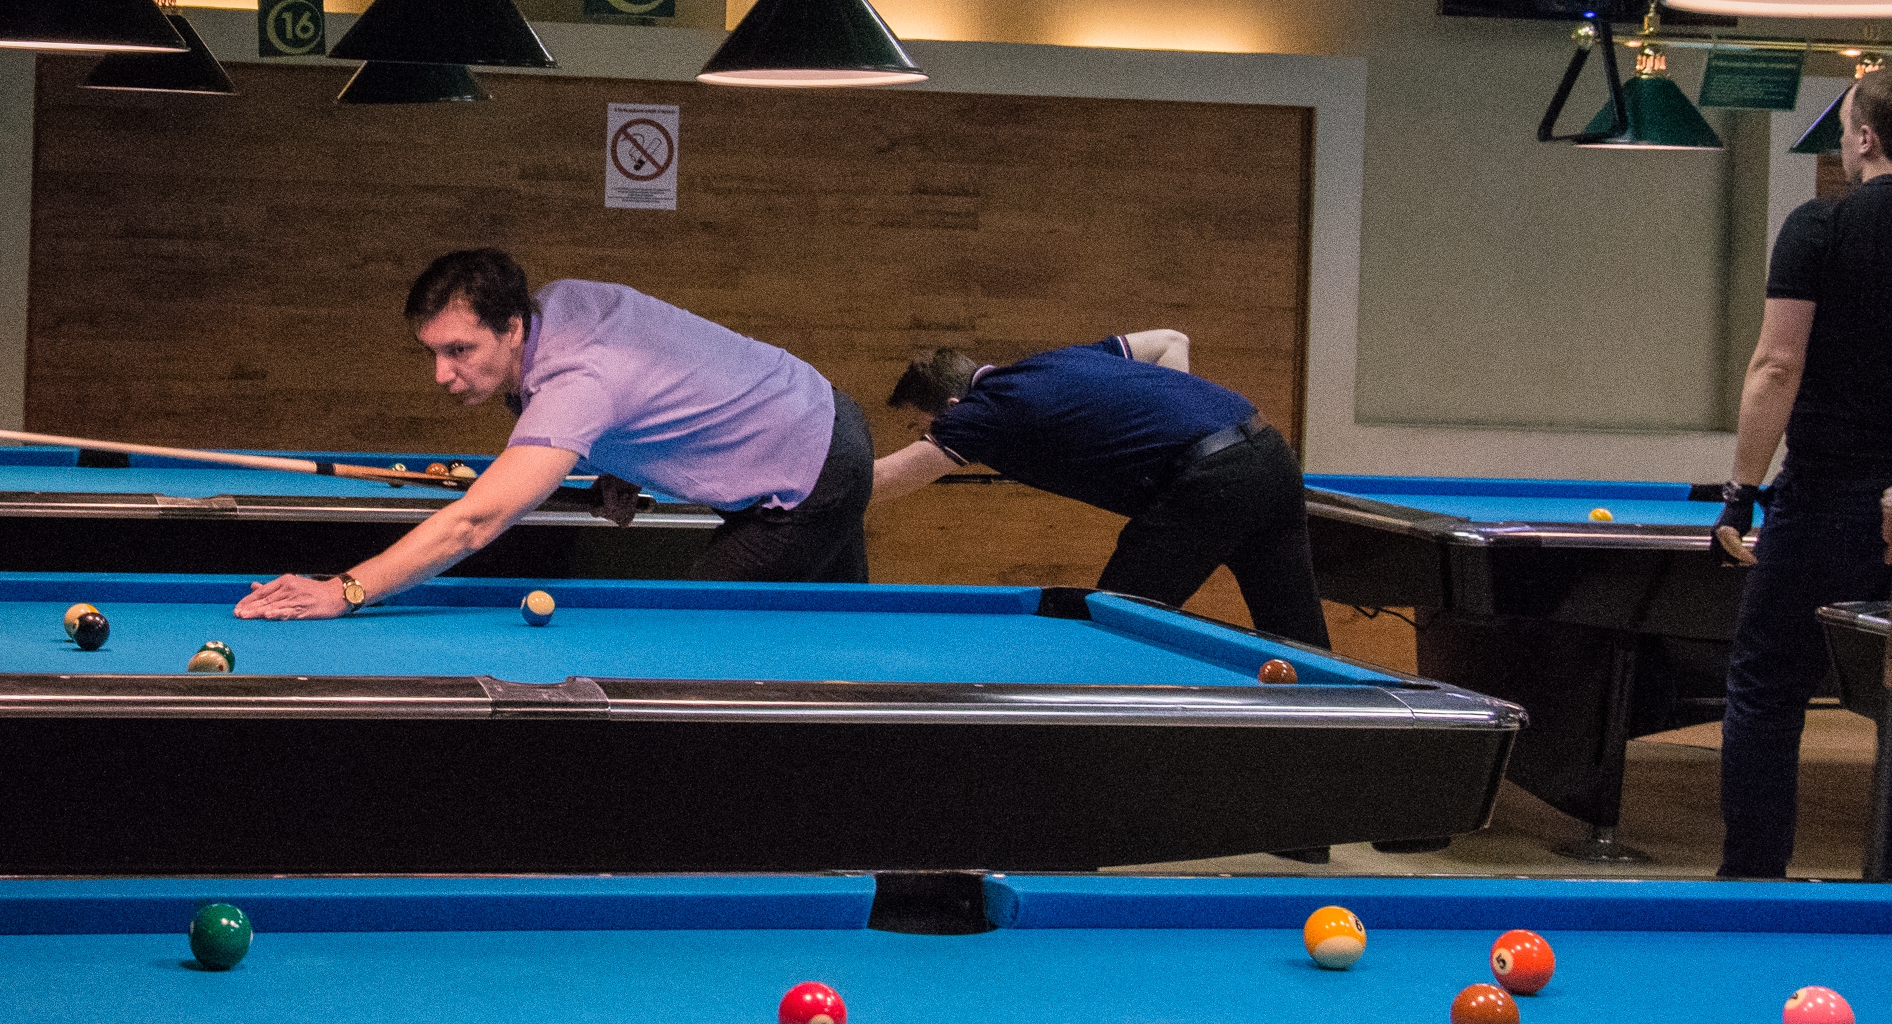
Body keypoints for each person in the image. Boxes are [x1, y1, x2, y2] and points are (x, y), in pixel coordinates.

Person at [234, 248, 873, 619]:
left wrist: (344, 590)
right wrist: (622, 458)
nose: (442, 374)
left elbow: (472, 524)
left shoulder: (576, 382)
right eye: (433, 352)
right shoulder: (558, 302)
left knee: (692, 631)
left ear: (513, 327)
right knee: (833, 632)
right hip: (820, 418)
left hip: (805, 478)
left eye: (459, 350)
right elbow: (657, 359)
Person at [871, 330, 1330, 648]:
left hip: (1210, 480)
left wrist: (823, 466)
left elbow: (884, 481)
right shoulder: (1059, 360)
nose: (924, 436)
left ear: (951, 405)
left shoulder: (981, 411)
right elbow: (1172, 341)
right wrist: (1176, 418)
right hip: (1271, 455)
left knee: (1115, 627)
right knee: (1298, 639)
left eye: (919, 427)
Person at [1713, 68, 1892, 878]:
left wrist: (1740, 494)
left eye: (1845, 127)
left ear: (1866, 137)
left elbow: (1777, 365)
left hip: (1823, 500)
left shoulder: (1819, 225)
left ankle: (1752, 878)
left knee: (1767, 687)